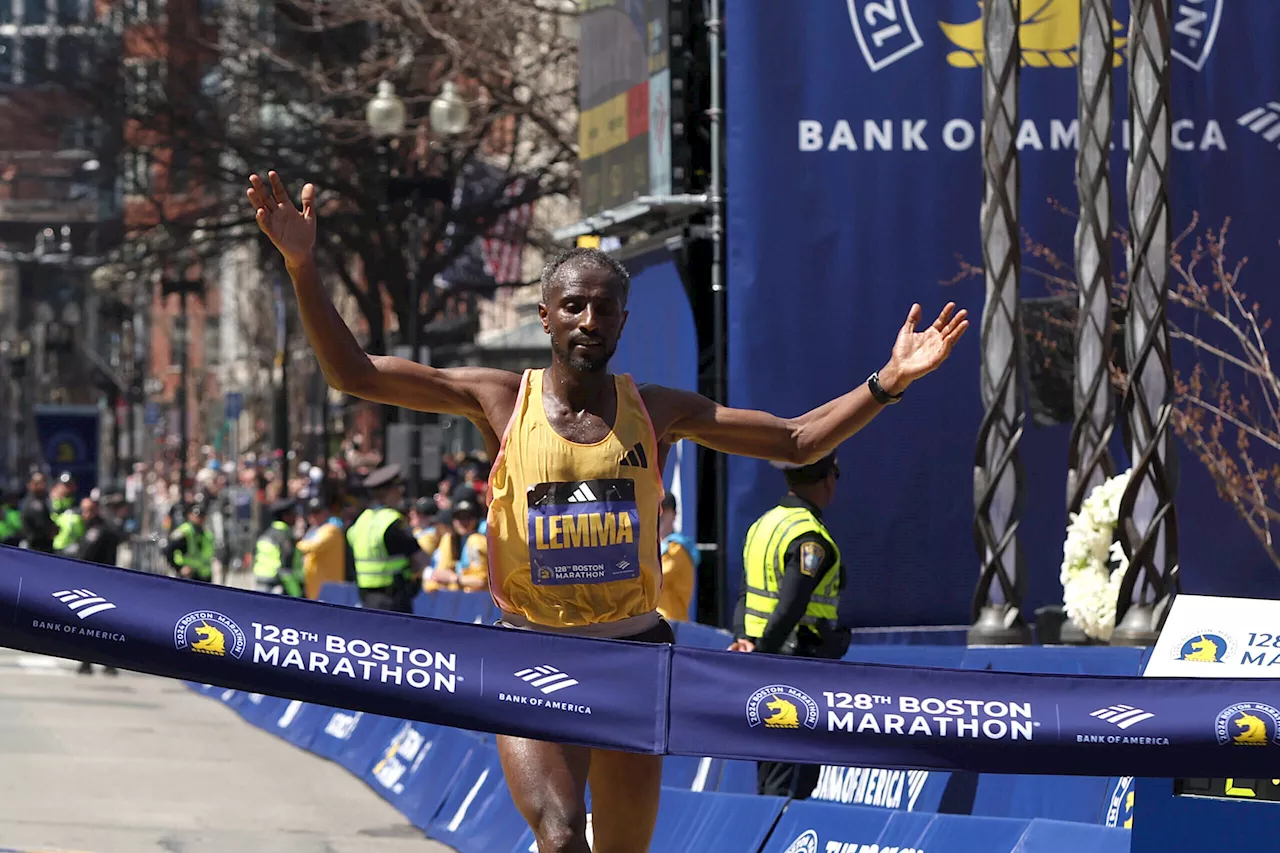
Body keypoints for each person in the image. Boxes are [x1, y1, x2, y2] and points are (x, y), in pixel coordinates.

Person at [246, 170, 967, 853]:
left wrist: (888, 381)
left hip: (633, 652)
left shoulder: (655, 410)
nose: (589, 320)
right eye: (573, 306)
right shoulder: (499, 399)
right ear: (546, 316)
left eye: (604, 307)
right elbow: (355, 373)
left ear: (624, 319)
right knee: (561, 835)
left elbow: (796, 439)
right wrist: (303, 267)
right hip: (530, 651)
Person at [730, 451, 850, 799]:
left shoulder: (763, 525)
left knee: (770, 772)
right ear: (828, 479)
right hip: (798, 668)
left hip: (762, 663)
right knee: (792, 781)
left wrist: (743, 641)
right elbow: (791, 606)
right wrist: (764, 653)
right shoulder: (809, 536)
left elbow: (744, 593)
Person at [346, 464, 426, 612]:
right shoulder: (392, 522)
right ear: (390, 491)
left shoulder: (360, 521)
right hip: (393, 600)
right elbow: (420, 560)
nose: (401, 492)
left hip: (366, 598)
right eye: (398, 488)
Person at [75, 495, 122, 676]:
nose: (84, 514)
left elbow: (86, 555)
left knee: (97, 625)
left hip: (97, 583)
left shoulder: (98, 530)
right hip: (97, 582)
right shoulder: (94, 528)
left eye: (87, 510)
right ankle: (90, 662)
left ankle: (100, 662)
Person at [426, 495, 488, 593]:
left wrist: (453, 578)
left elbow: (481, 581)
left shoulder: (476, 541)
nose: (464, 522)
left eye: (468, 517)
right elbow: (440, 573)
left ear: (476, 519)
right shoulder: (452, 539)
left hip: (480, 601)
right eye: (459, 517)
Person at [296, 495, 350, 599]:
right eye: (311, 513)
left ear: (325, 512)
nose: (314, 516)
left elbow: (314, 546)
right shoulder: (313, 530)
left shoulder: (332, 528)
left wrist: (298, 544)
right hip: (314, 586)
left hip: (328, 587)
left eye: (317, 512)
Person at [656, 493, 698, 623]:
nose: (660, 514)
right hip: (658, 623)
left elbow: (654, 581)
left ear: (674, 514)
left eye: (665, 509)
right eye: (657, 509)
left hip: (672, 625)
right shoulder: (654, 546)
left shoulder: (677, 549)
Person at [251, 499, 302, 596]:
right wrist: (297, 595)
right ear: (285, 517)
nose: (296, 517)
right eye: (294, 514)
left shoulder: (266, 534)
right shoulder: (285, 537)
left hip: (260, 584)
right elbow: (286, 571)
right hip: (277, 587)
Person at [165, 500, 216, 583]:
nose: (199, 519)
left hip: (205, 577)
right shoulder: (184, 532)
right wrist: (179, 568)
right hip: (188, 577)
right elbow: (168, 550)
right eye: (197, 516)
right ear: (190, 516)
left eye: (201, 516)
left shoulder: (207, 535)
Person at [20, 472, 58, 553]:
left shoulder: (42, 500)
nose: (42, 485)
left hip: (43, 546)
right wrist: (53, 529)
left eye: (43, 482)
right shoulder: (34, 504)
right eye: (37, 483)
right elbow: (42, 526)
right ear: (30, 484)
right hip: (37, 548)